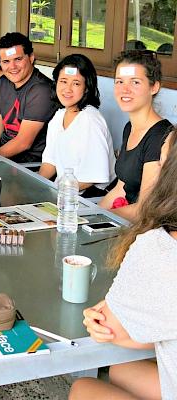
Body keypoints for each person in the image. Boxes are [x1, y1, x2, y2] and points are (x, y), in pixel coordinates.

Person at [69, 130, 177, 400]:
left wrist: (101, 316)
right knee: (121, 369)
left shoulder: (158, 247)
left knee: (83, 388)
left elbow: (109, 329)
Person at [98, 50, 172, 222]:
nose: (125, 89)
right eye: (119, 82)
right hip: (126, 220)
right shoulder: (130, 127)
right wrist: (87, 216)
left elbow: (145, 209)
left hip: (148, 229)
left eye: (135, 82)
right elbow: (121, 187)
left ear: (154, 87)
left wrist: (99, 218)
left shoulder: (161, 137)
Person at [39, 54, 116, 197]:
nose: (67, 89)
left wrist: (56, 191)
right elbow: (50, 162)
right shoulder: (59, 116)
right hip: (65, 192)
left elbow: (92, 178)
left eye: (76, 83)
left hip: (90, 197)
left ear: (86, 88)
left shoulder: (90, 119)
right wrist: (36, 186)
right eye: (63, 81)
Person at [0, 32, 55, 162]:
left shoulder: (42, 90)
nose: (12, 67)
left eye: (18, 59)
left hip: (27, 168)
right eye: (6, 61)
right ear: (0, 63)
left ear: (31, 57)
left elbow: (23, 142)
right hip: (2, 159)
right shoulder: (3, 82)